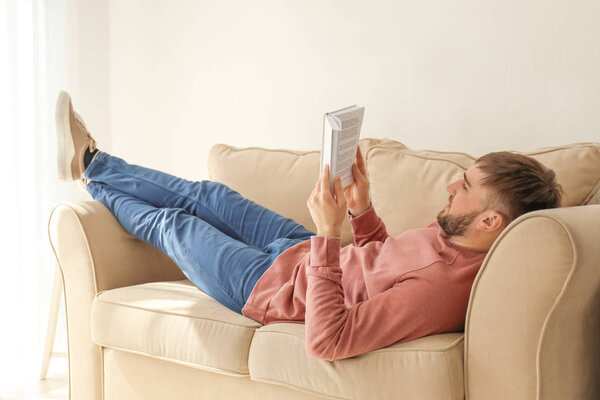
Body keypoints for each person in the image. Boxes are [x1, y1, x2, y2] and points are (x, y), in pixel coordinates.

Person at [55, 91, 563, 361]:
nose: (453, 188)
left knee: (175, 224)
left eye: (467, 187)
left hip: (269, 287)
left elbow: (330, 340)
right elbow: (379, 267)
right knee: (211, 194)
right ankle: (95, 162)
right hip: (302, 252)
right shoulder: (456, 234)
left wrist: (327, 234)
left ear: (492, 220)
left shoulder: (442, 292)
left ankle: (87, 173)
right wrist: (362, 212)